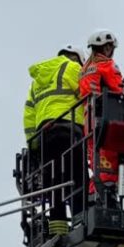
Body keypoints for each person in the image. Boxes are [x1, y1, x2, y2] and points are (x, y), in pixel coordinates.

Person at [24, 45, 87, 235]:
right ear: (77, 58)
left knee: (54, 179)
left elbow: (29, 115)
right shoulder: (73, 68)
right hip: (70, 128)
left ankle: (57, 224)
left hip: (45, 134)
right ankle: (80, 219)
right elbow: (87, 94)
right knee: (78, 175)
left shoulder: (37, 81)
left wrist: (33, 144)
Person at [79, 30, 124, 192]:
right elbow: (118, 90)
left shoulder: (86, 68)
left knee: (96, 161)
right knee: (109, 159)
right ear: (105, 48)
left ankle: (94, 191)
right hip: (105, 116)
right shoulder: (107, 65)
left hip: (88, 119)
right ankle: (107, 191)